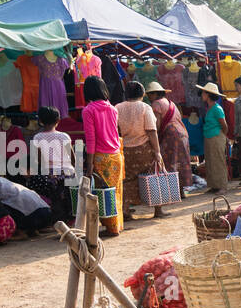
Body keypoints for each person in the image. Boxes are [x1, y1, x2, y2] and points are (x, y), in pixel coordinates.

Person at [81, 76, 125, 236]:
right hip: (116, 155)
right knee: (116, 191)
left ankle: (110, 227)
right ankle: (116, 225)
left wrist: (89, 163)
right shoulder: (113, 109)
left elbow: (91, 139)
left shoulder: (88, 110)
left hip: (101, 157)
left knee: (103, 192)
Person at [116, 80, 165, 220]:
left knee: (127, 180)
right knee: (154, 176)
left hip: (125, 149)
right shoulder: (145, 107)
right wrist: (157, 151)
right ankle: (158, 210)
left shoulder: (117, 107)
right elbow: (151, 130)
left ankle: (125, 211)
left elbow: (117, 129)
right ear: (142, 94)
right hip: (144, 148)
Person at [145, 81, 195, 193]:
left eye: (149, 94)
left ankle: (173, 191)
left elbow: (156, 125)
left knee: (170, 161)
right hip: (182, 133)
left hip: (171, 135)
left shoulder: (156, 104)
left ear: (155, 94)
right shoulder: (170, 102)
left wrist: (153, 139)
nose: (148, 97)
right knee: (181, 161)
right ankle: (181, 190)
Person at [197, 81, 230, 193]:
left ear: (208, 95)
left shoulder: (217, 109)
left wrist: (222, 136)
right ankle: (214, 185)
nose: (202, 95)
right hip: (209, 137)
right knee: (210, 161)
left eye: (203, 93)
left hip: (216, 137)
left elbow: (224, 126)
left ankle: (222, 186)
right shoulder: (210, 108)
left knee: (218, 161)